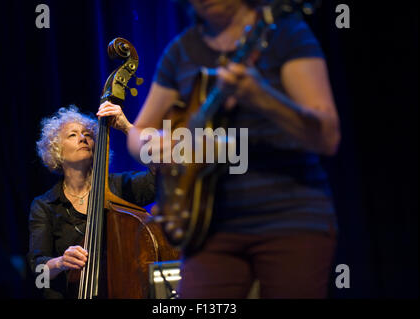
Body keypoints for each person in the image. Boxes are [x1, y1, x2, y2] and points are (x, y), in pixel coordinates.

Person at [127, 0, 341, 298]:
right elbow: (137, 132)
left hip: (290, 217)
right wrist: (151, 145)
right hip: (209, 225)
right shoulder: (181, 50)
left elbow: (327, 136)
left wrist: (261, 97)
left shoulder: (286, 33)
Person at [28, 102, 156, 299]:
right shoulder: (44, 205)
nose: (83, 138)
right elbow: (38, 271)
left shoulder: (120, 186)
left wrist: (127, 127)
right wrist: (61, 262)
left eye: (88, 134)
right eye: (73, 135)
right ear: (57, 151)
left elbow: (167, 173)